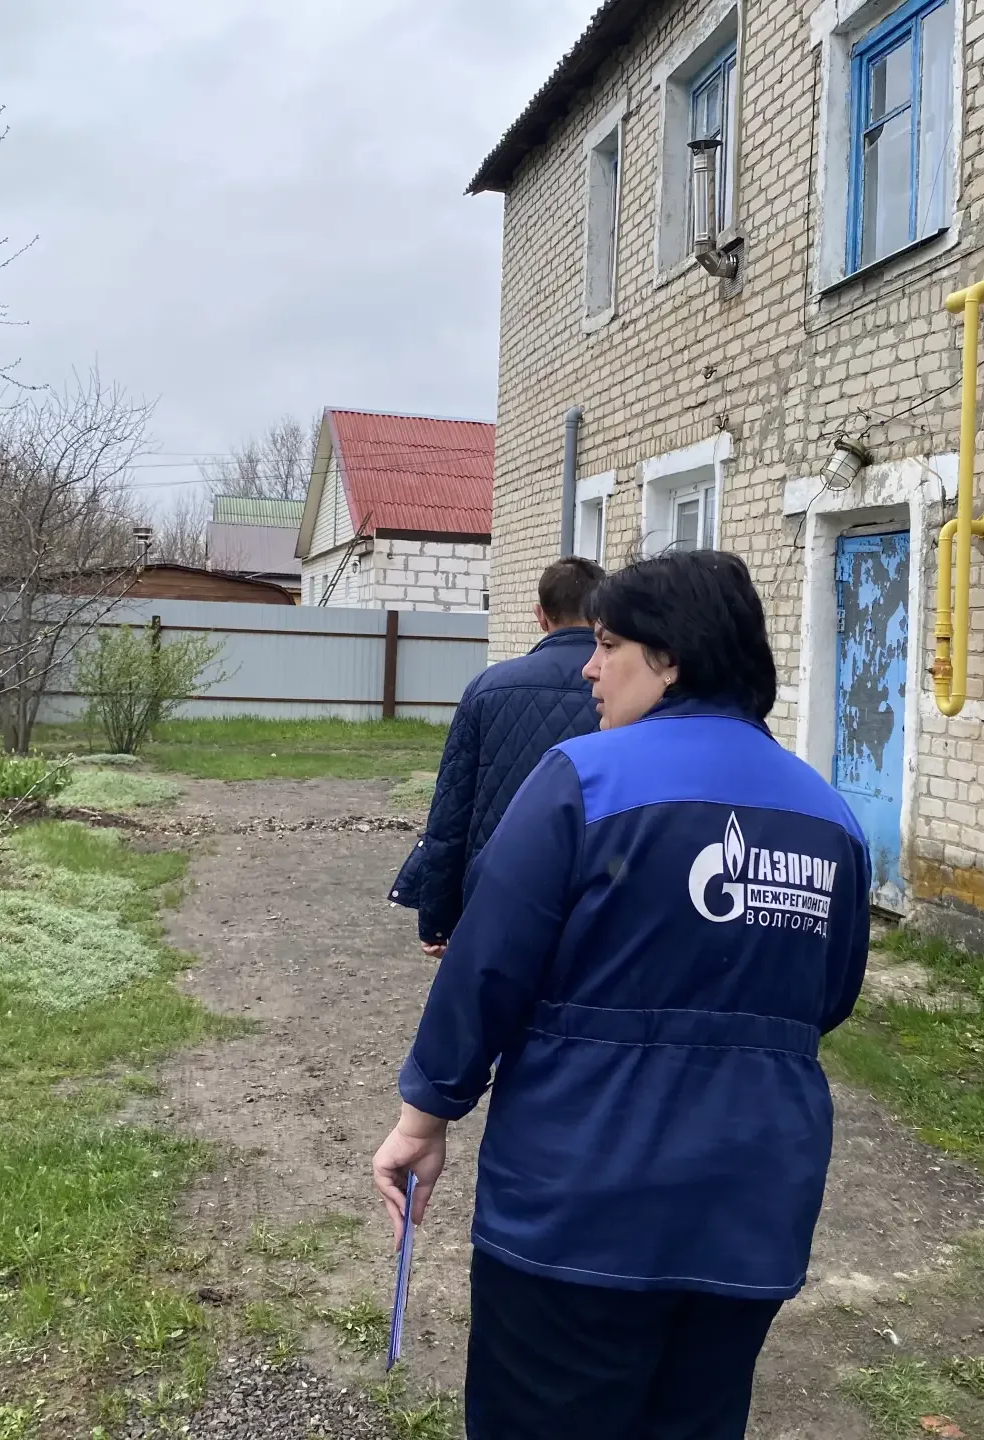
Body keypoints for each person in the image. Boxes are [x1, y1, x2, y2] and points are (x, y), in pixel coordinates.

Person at [372, 550, 872, 1440]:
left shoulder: (583, 779)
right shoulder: (828, 816)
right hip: (748, 1212)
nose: (589, 670)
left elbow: (486, 966)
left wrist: (424, 1117)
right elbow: (827, 998)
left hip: (578, 1207)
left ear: (670, 657)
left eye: (608, 646)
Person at [390, 556, 603, 957]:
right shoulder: (630, 690)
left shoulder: (488, 687)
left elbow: (450, 814)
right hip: (595, 893)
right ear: (602, 616)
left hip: (498, 892)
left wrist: (438, 920)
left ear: (540, 616)